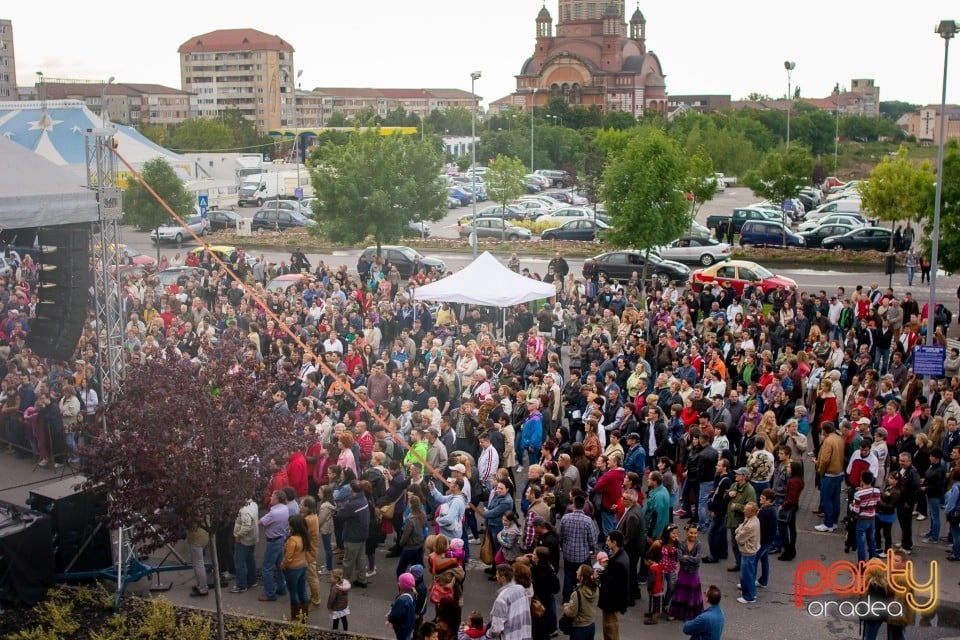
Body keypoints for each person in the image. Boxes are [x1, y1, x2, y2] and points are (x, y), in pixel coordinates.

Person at [485, 563, 532, 640]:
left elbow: (496, 629)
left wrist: (488, 634)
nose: (496, 576)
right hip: (523, 635)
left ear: (503, 578)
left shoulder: (502, 599)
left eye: (497, 574)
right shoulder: (521, 589)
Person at [598, 530, 630, 640]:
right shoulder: (621, 555)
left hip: (611, 603)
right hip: (614, 602)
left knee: (610, 629)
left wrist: (599, 579)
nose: (606, 543)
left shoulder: (618, 563)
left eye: (608, 540)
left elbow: (611, 585)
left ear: (614, 542)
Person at [259, 489, 290, 601]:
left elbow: (261, 522)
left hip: (272, 541)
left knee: (267, 568)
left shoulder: (273, 513)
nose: (270, 498)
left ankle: (270, 593)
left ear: (277, 499)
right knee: (279, 565)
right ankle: (281, 588)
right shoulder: (285, 509)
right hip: (281, 539)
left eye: (272, 496)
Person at [668, 524, 704, 621]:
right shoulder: (681, 544)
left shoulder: (699, 544)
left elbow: (698, 559)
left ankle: (690, 615)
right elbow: (680, 558)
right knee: (679, 592)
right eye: (691, 532)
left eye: (695, 533)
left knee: (692, 593)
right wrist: (691, 558)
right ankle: (675, 613)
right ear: (687, 532)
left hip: (693, 573)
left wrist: (686, 557)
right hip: (683, 572)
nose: (693, 535)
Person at [282, 514, 311, 623]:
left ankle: (296, 617)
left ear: (293, 526)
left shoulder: (292, 540)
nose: (288, 526)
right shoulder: (304, 537)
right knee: (302, 590)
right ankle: (304, 616)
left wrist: (283, 565)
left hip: (292, 569)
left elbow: (288, 558)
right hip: (303, 566)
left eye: (289, 525)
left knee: (293, 592)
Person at [561, 563, 598, 640]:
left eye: (578, 571)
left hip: (579, 628)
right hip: (591, 625)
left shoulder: (577, 594)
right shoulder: (596, 589)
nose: (576, 571)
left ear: (581, 577)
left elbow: (571, 613)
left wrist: (565, 606)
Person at [231, 497, 259, 594]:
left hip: (244, 540)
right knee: (250, 559)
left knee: (239, 562)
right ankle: (252, 580)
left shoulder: (244, 511)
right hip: (253, 538)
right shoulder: (254, 504)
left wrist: (239, 535)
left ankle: (241, 585)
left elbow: (247, 526)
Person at [735, 502, 760, 604]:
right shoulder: (751, 519)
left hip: (748, 551)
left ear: (752, 512)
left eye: (746, 509)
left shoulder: (750, 525)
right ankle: (750, 592)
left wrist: (738, 532)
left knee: (747, 574)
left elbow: (739, 538)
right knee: (749, 573)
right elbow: (740, 527)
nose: (744, 510)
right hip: (750, 550)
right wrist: (739, 530)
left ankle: (749, 597)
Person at [388, 573, 418, 640]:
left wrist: (390, 618)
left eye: (400, 582)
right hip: (409, 624)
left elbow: (395, 614)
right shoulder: (413, 593)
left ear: (403, 585)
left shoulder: (402, 600)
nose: (398, 583)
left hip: (403, 627)